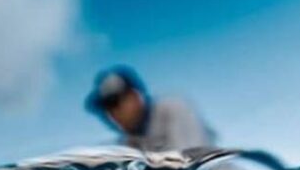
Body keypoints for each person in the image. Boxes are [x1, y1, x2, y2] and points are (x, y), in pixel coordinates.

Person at [85, 65, 216, 152]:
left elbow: (190, 165)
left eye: (115, 102)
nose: (112, 113)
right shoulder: (125, 146)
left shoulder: (173, 108)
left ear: (136, 96)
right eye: (106, 108)